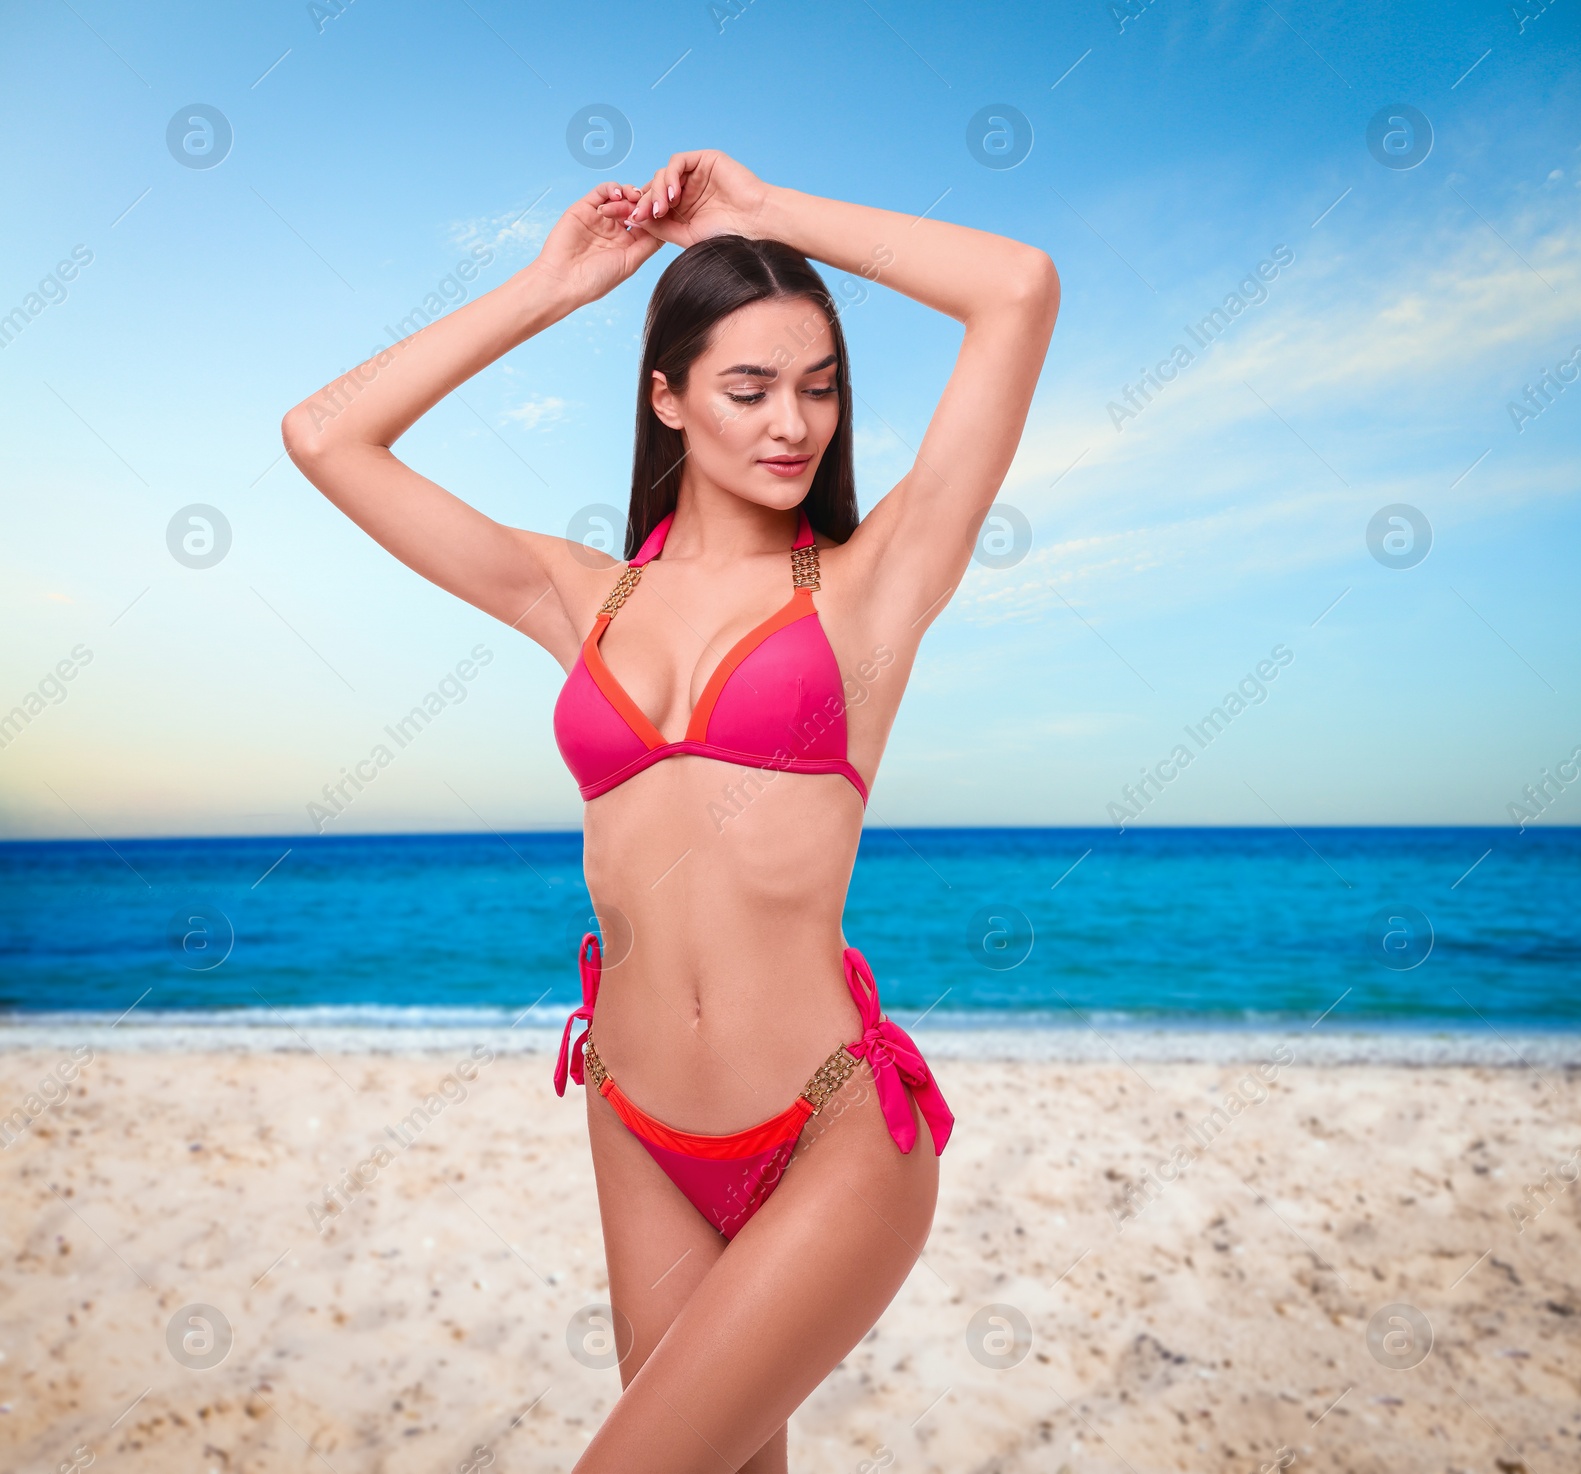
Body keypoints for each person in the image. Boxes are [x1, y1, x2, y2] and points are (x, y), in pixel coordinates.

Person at [282, 148, 1057, 1473]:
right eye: (748, 387)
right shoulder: (577, 596)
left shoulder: (869, 588)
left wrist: (768, 216)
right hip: (635, 1120)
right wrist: (547, 287)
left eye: (819, 388)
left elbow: (1018, 289)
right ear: (669, 400)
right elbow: (324, 432)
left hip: (831, 1129)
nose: (791, 423)